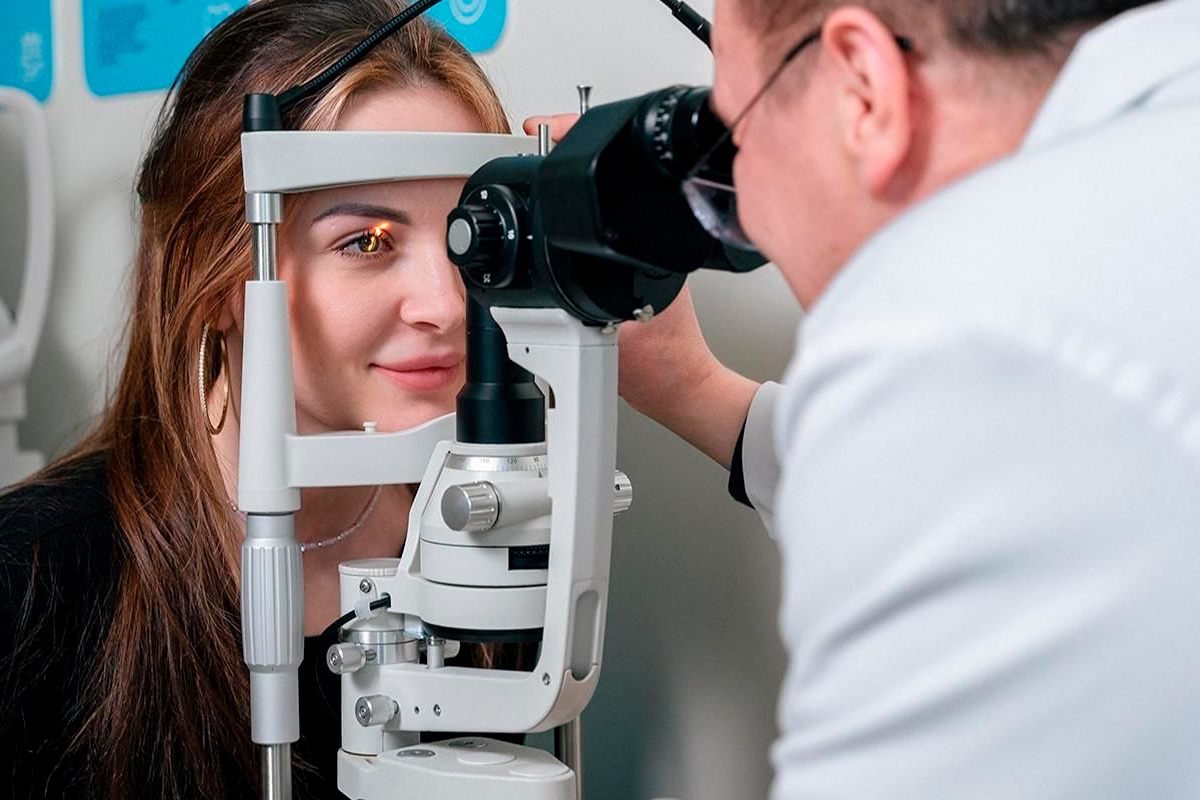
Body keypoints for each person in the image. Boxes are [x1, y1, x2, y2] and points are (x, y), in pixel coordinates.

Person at [534, 0, 1200, 795]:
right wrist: (696, 390)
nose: (739, 206)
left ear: (865, 87)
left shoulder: (956, 336)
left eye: (734, 135)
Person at [0, 1, 525, 797]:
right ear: (213, 279)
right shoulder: (29, 580)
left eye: (467, 236)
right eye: (366, 242)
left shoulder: (488, 550)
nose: (446, 306)